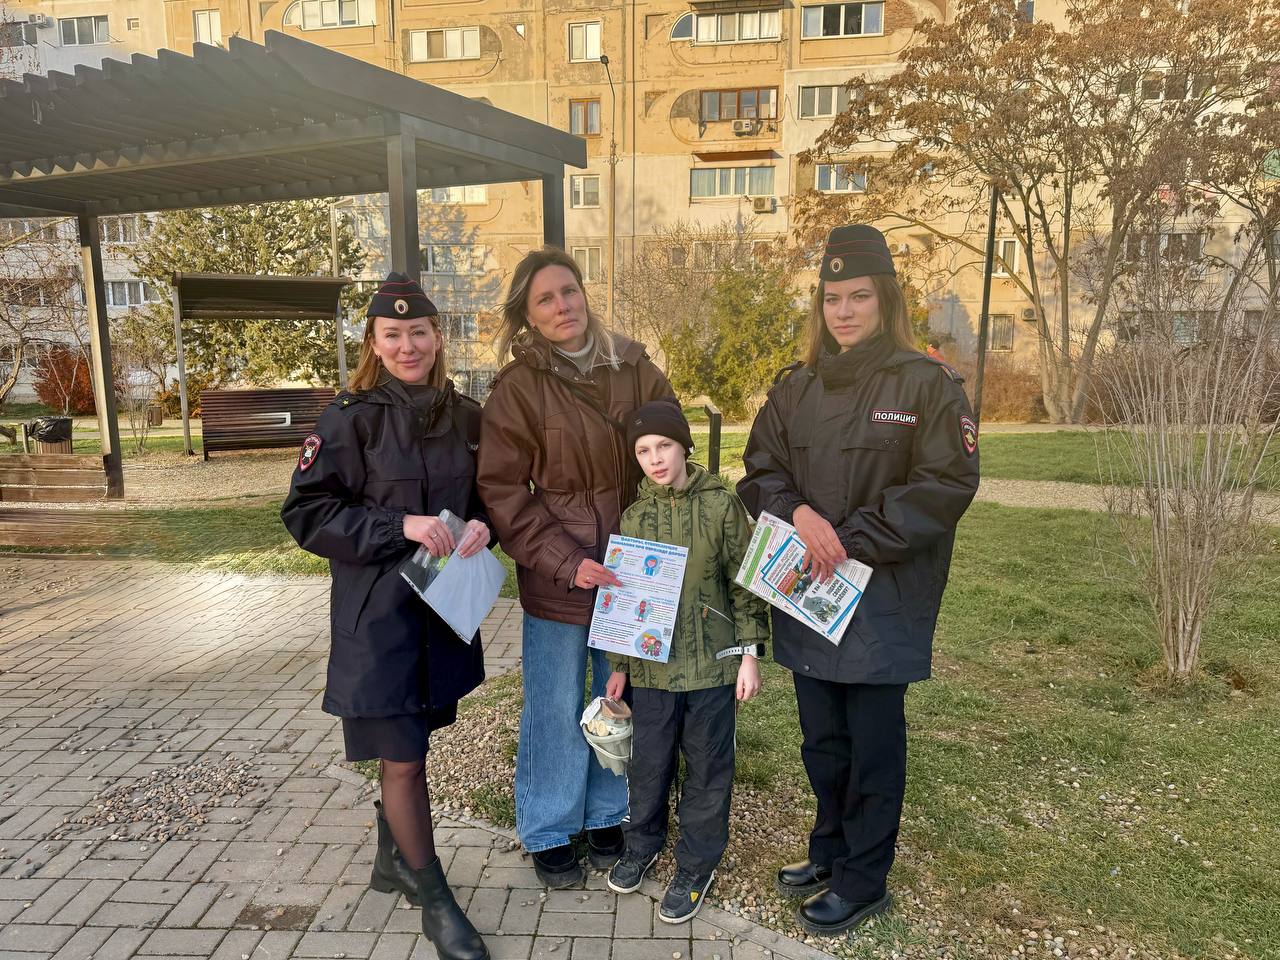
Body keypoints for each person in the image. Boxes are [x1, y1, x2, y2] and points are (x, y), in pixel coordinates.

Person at [737, 225, 980, 936]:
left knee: (872, 747)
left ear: (886, 300)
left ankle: (864, 879)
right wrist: (798, 512)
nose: (842, 311)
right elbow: (761, 470)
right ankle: (830, 851)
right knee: (822, 740)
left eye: (859, 297)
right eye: (831, 297)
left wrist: (847, 539)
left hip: (882, 598)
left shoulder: (927, 385)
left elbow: (944, 484)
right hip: (810, 594)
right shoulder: (797, 387)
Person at [281, 272, 493, 960]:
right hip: (379, 624)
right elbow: (307, 513)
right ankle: (435, 900)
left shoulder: (466, 417)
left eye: (419, 332)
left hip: (441, 615)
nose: (408, 346)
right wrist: (399, 524)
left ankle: (392, 859)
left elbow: (487, 498)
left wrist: (484, 526)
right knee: (404, 763)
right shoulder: (351, 419)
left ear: (438, 336)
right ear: (373, 341)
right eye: (393, 334)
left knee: (414, 746)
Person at [477, 247, 677, 887]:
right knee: (555, 701)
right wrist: (568, 562)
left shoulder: (635, 367)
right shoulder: (518, 388)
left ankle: (606, 812)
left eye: (569, 291)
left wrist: (667, 538)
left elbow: (672, 450)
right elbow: (503, 492)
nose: (562, 306)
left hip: (633, 570)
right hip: (559, 574)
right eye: (546, 299)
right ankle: (549, 825)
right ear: (528, 315)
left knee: (617, 696)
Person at [603, 402, 769, 924]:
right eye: (643, 451)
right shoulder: (634, 516)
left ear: (684, 446)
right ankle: (642, 844)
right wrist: (620, 664)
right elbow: (626, 596)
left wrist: (749, 654)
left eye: (664, 446)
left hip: (712, 666)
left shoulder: (722, 506)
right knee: (649, 763)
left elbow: (746, 583)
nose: (655, 459)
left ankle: (697, 864)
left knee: (707, 766)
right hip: (653, 670)